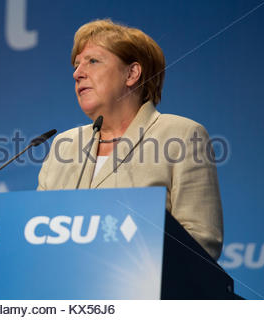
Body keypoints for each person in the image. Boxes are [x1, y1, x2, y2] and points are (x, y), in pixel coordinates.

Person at [37, 19, 223, 260]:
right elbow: (36, 235)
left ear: (132, 73)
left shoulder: (181, 135)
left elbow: (202, 241)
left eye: (92, 61)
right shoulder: (64, 145)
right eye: (76, 65)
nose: (77, 73)